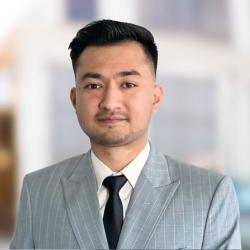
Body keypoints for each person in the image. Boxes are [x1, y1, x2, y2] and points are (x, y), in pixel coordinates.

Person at [10, 19, 241, 249]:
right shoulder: (38, 191)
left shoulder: (209, 193)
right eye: (93, 85)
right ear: (74, 99)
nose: (110, 103)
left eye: (128, 84)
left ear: (155, 97)